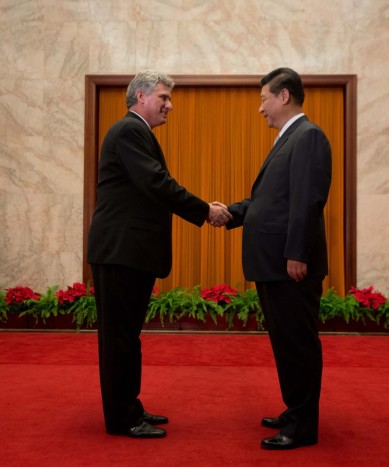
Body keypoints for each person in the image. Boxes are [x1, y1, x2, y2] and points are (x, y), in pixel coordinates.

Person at [87, 70, 232, 439]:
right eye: (164, 98)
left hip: (128, 252)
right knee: (119, 338)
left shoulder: (136, 132)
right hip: (121, 251)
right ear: (140, 97)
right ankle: (122, 419)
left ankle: (130, 407)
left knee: (128, 336)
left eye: (169, 98)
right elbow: (156, 183)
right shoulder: (130, 131)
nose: (170, 105)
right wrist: (205, 210)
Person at [225, 67, 332, 450]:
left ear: (283, 96)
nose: (261, 109)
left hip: (290, 265)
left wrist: (296, 254)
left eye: (263, 99)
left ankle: (303, 426)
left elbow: (308, 201)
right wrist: (232, 213)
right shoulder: (290, 139)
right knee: (285, 343)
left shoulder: (308, 137)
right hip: (273, 264)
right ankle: (294, 411)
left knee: (298, 343)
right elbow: (269, 202)